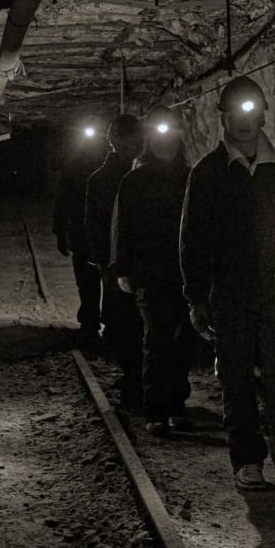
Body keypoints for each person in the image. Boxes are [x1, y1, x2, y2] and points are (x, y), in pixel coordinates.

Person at [181, 75, 275, 511]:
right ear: (222, 118)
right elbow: (194, 238)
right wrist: (197, 296)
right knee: (235, 379)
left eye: (250, 113)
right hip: (231, 294)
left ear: (261, 116)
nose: (243, 122)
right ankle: (248, 460)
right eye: (235, 114)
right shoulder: (207, 173)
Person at [110, 105, 196, 438]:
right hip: (150, 273)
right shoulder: (135, 179)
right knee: (158, 339)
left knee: (184, 341)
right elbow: (123, 226)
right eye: (160, 138)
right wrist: (123, 269)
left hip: (185, 273)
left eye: (171, 137)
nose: (166, 144)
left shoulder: (191, 177)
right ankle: (157, 408)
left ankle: (177, 403)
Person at [84, 113, 145, 407]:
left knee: (138, 324)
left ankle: (140, 380)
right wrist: (103, 263)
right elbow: (95, 225)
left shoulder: (145, 174)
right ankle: (134, 379)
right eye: (123, 139)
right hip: (117, 264)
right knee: (124, 323)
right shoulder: (102, 180)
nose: (128, 144)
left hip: (143, 262)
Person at [54, 120, 108, 340]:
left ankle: (94, 321)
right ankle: (91, 320)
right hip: (86, 232)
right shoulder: (77, 165)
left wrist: (60, 231)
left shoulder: (103, 165)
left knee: (91, 280)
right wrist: (60, 231)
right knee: (89, 280)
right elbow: (64, 199)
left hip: (93, 232)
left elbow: (62, 199)